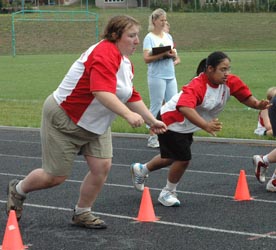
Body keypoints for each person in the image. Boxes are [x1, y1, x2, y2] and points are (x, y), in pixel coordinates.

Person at [6, 15, 167, 229]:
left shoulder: (125, 62)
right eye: (131, 35)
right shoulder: (103, 53)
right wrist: (127, 115)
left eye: (137, 35)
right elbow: (100, 91)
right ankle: (18, 190)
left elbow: (130, 94)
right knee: (54, 177)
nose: (137, 41)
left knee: (102, 166)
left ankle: (82, 212)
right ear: (114, 36)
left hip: (95, 123)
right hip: (65, 118)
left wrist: (151, 120)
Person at [130, 51, 271, 207]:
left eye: (228, 69)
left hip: (186, 124)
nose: (227, 73)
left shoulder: (230, 82)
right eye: (223, 69)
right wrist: (205, 125)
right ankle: (167, 192)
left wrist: (257, 104)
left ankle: (141, 170)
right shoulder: (198, 85)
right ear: (210, 69)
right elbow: (184, 107)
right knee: (183, 159)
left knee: (170, 157)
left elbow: (245, 97)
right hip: (171, 121)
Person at [143, 8, 179, 148]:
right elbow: (146, 58)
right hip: (157, 76)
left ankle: (170, 135)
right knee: (156, 105)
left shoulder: (167, 36)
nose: (164, 22)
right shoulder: (149, 37)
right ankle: (152, 136)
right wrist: (162, 55)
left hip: (170, 74)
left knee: (173, 105)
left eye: (165, 20)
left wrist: (173, 55)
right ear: (154, 21)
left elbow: (175, 54)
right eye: (162, 20)